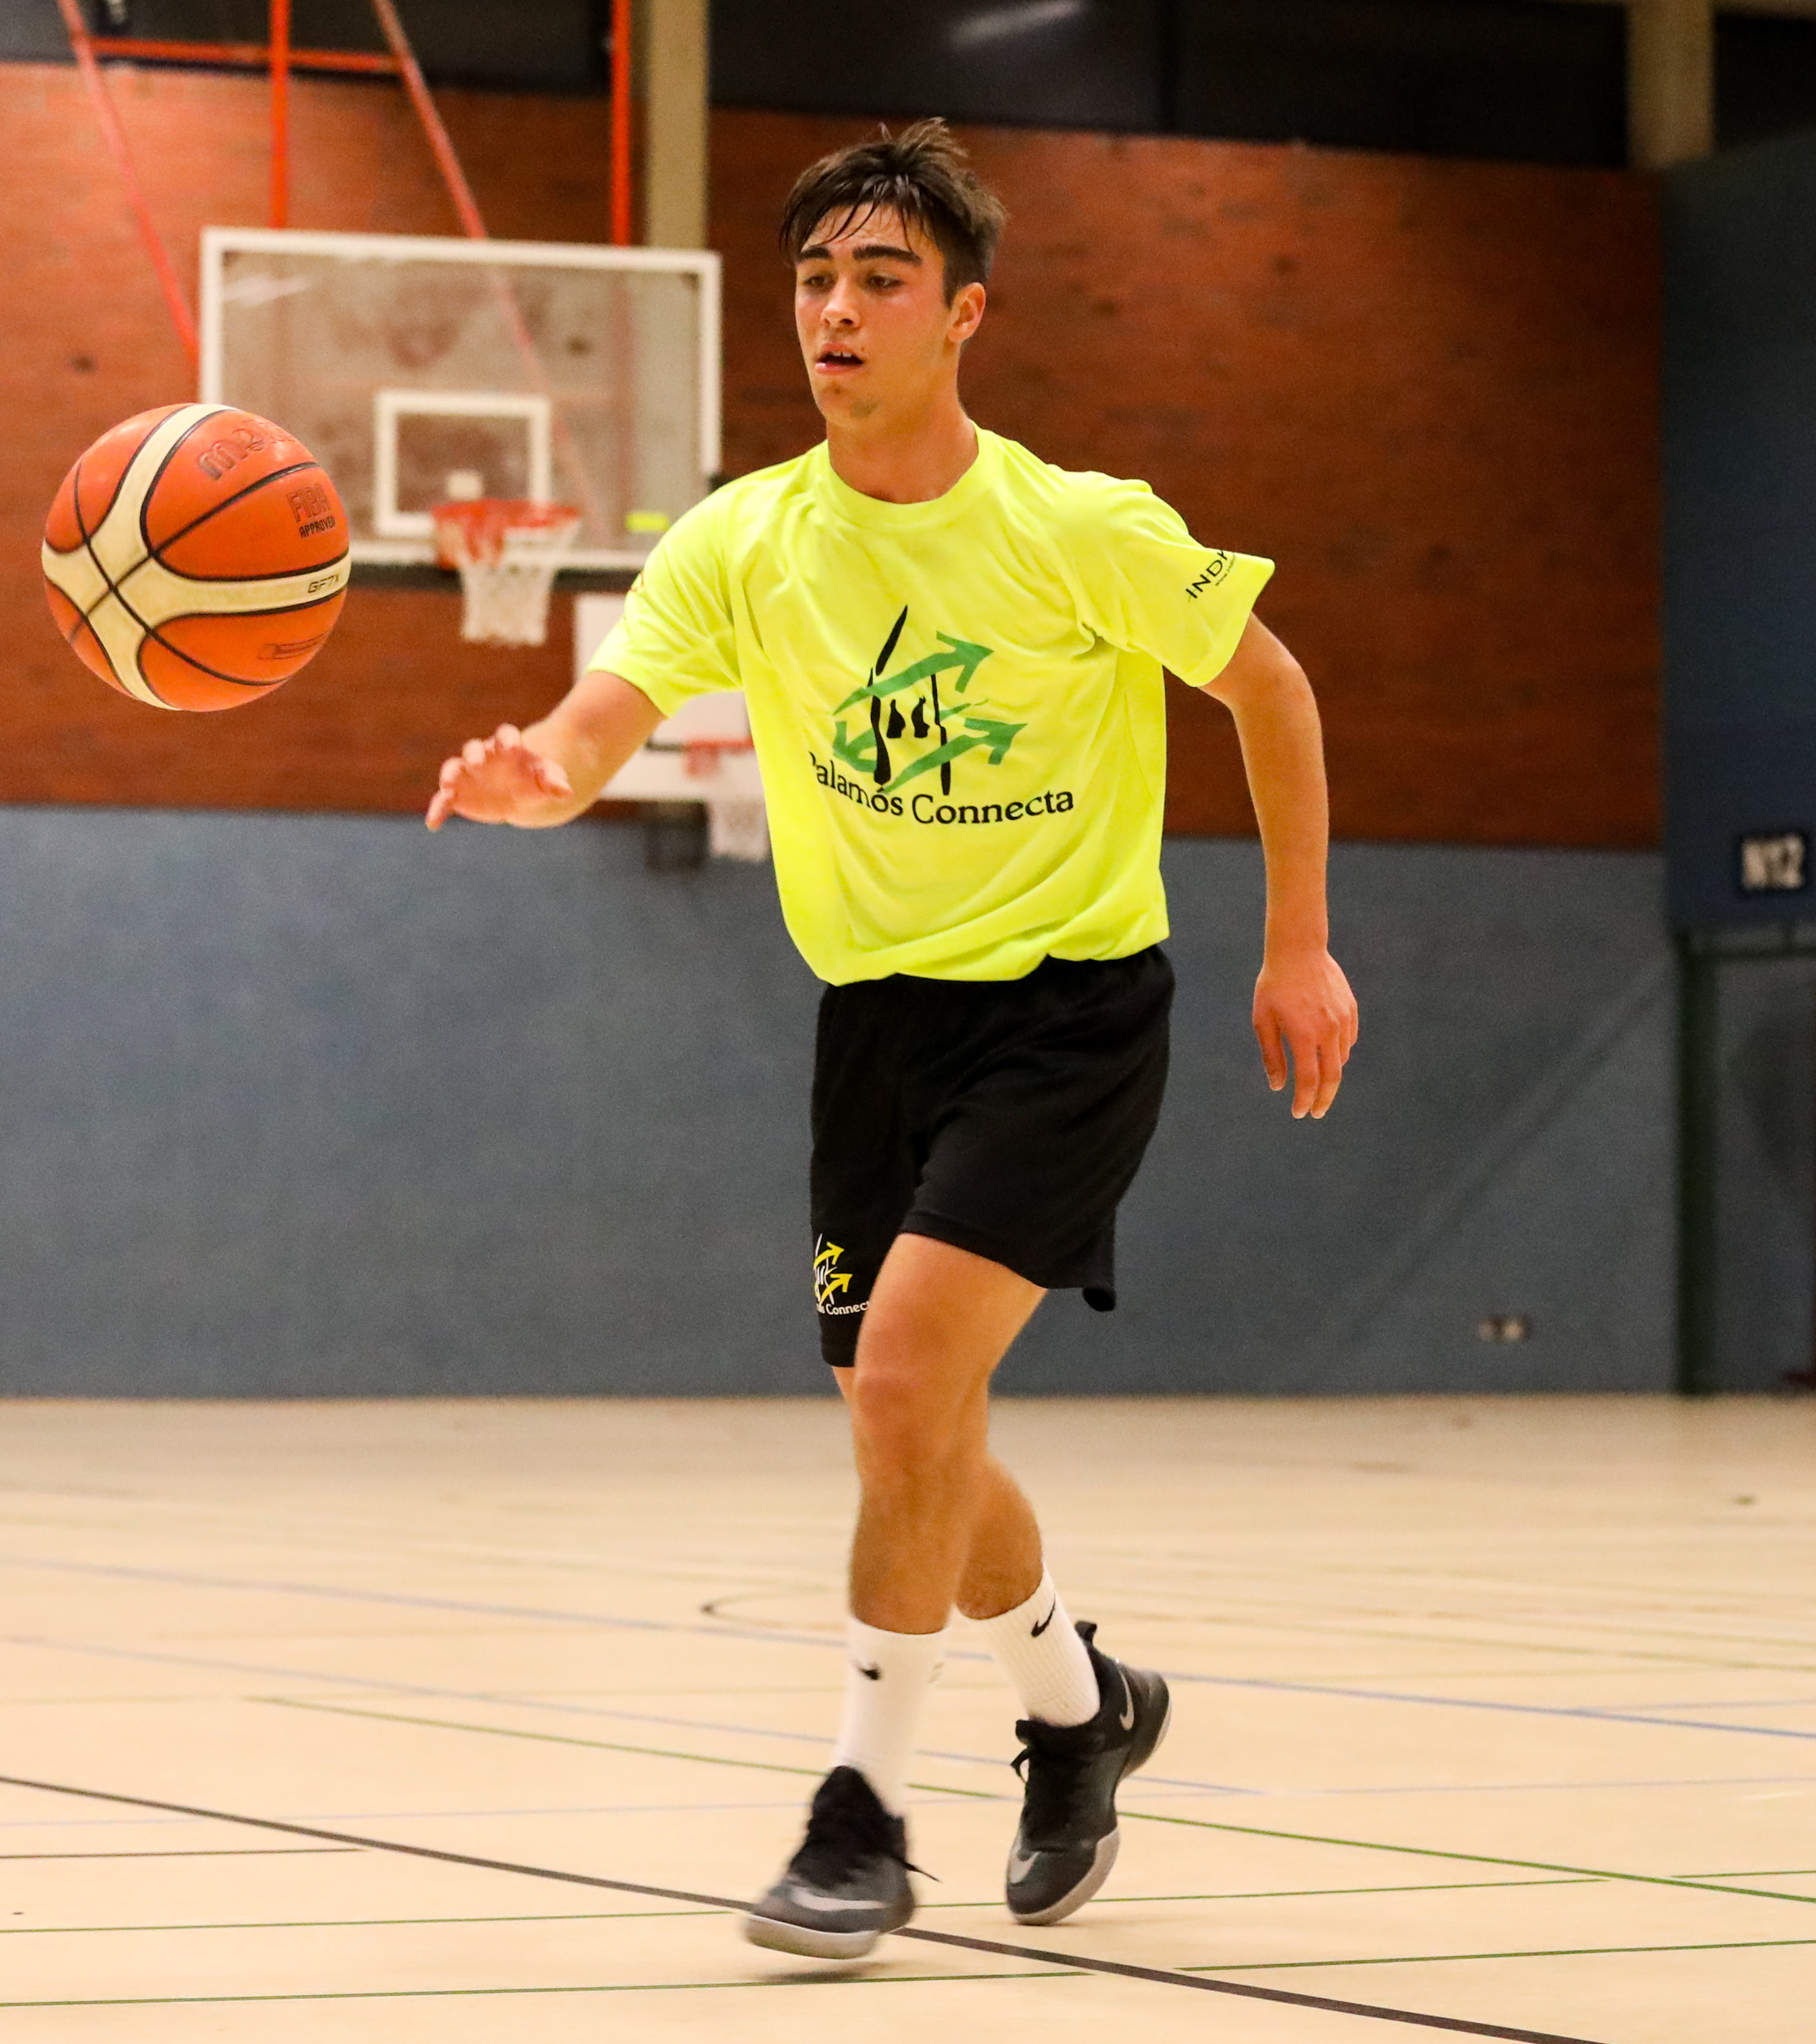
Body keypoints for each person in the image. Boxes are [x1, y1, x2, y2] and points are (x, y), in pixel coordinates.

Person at [424, 122, 1355, 1957]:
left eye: (877, 279)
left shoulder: (1074, 528)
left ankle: (858, 1814)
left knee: (914, 1380)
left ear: (961, 317)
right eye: (811, 279)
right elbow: (598, 722)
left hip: (1067, 1014)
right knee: (896, 1413)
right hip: (873, 1026)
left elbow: (1268, 686)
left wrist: (1298, 944)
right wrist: (537, 775)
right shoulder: (742, 539)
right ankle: (1079, 1707)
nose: (833, 311)